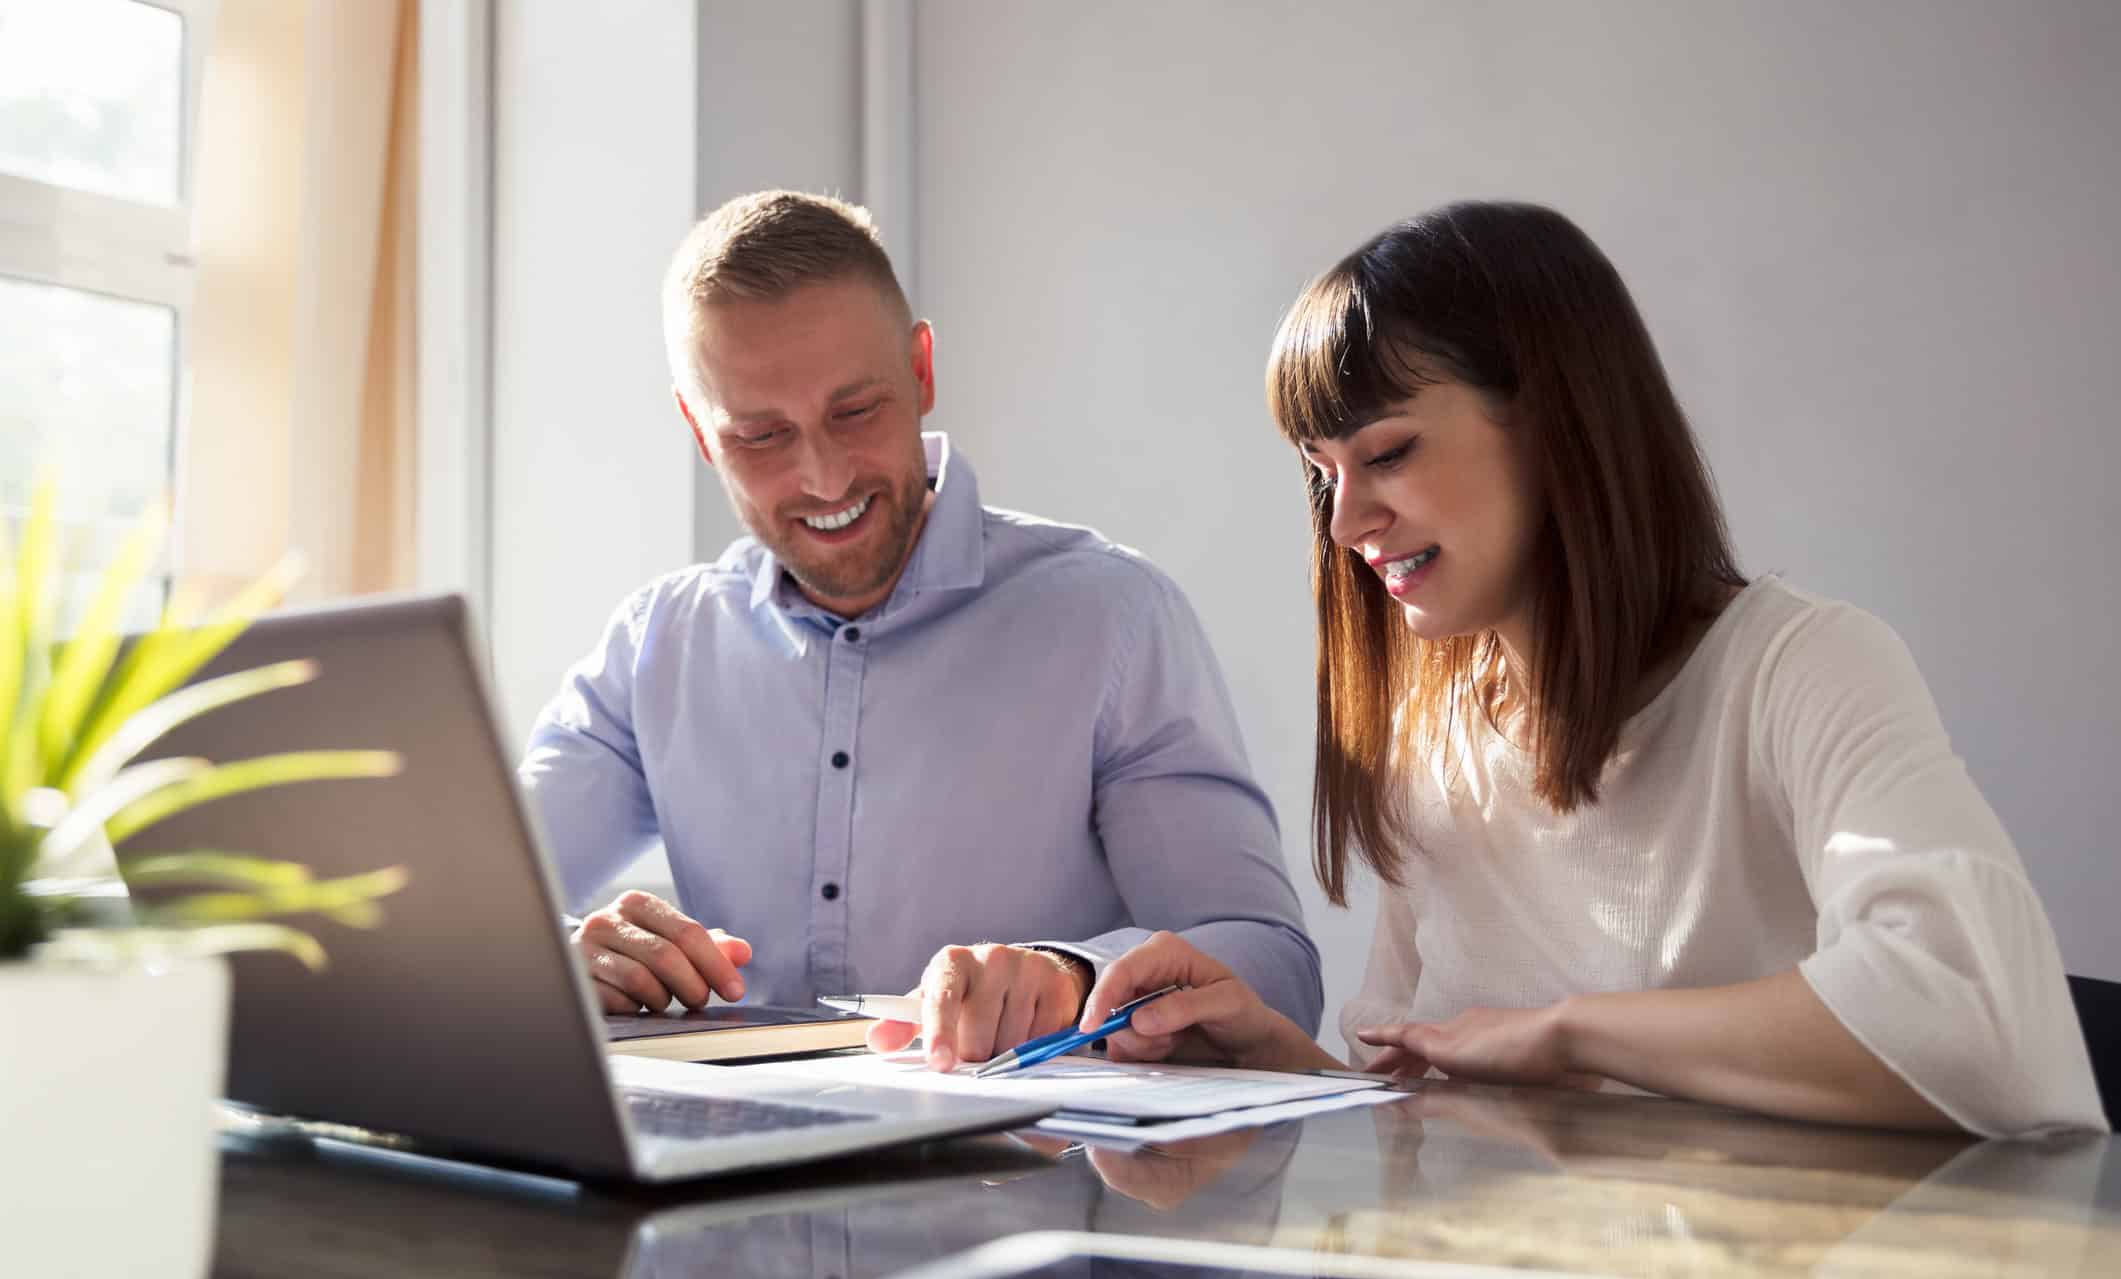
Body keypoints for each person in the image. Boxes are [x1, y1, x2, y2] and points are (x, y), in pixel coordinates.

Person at [1080, 201, 2105, 1138]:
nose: (1345, 523)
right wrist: (1272, 1060)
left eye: (1388, 453)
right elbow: (1422, 1122)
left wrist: (1572, 1034)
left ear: (1556, 425)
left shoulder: (1800, 669)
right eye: (1323, 475)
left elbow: (1972, 1012)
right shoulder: (1427, 746)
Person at [517, 190, 1321, 1067]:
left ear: (921, 370)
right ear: (699, 434)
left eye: (855, 412)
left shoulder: (1110, 617)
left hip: (1027, 1182)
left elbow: (1273, 967)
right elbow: (450, 914)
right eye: (760, 436)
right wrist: (551, 958)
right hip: (732, 1182)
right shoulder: (655, 647)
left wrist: (1075, 976)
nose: (823, 478)